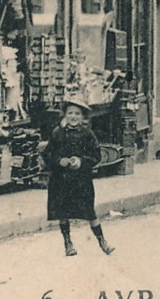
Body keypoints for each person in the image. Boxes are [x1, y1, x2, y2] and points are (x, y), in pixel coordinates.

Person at [45, 100, 113, 257]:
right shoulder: (57, 133)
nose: (73, 117)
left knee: (89, 211)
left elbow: (96, 155)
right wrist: (59, 161)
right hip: (61, 179)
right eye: (70, 113)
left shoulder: (88, 134)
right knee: (63, 212)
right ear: (65, 115)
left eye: (77, 114)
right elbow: (48, 153)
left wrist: (81, 161)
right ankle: (68, 243)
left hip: (81, 179)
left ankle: (102, 241)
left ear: (83, 117)